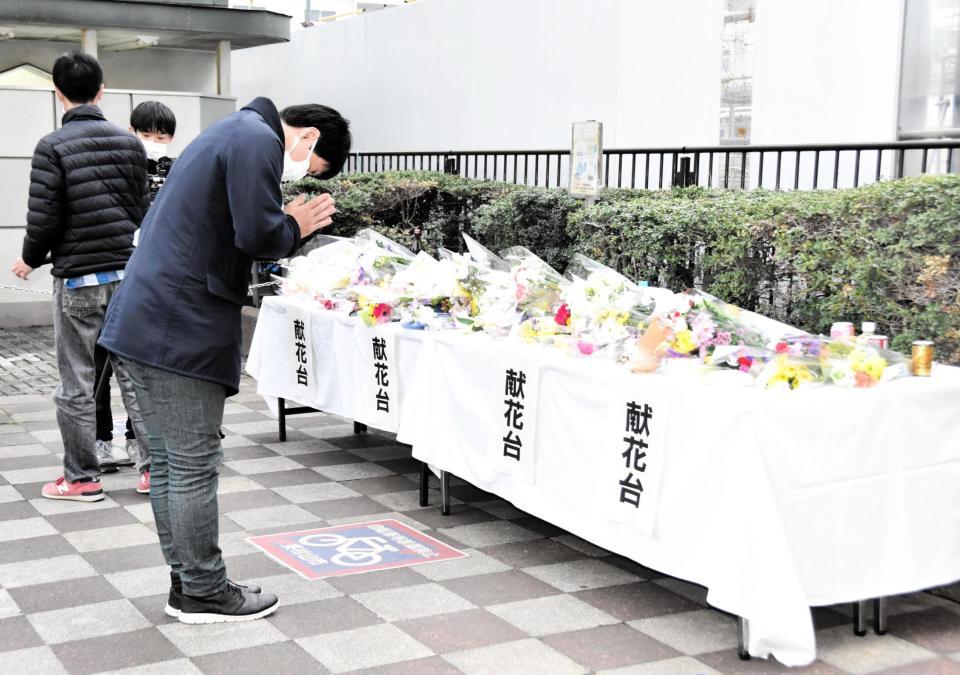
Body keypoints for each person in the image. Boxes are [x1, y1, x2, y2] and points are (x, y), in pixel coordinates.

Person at [99, 97, 349, 623]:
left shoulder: (234, 131)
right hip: (176, 327)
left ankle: (191, 580)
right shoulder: (258, 139)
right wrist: (294, 225)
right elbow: (257, 234)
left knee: (170, 464)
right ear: (306, 138)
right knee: (190, 465)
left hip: (150, 321)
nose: (299, 172)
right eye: (311, 163)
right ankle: (203, 592)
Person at [11, 51, 150, 503]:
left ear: (57, 91)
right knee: (136, 377)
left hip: (77, 282)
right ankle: (153, 472)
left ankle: (81, 478)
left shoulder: (52, 145)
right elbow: (140, 212)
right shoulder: (131, 144)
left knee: (76, 382)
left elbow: (44, 217)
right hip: (128, 277)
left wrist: (30, 259)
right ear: (102, 90)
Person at [94, 100, 178, 494]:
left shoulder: (176, 169)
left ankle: (134, 436)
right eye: (148, 135)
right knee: (100, 362)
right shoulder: (121, 166)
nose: (156, 143)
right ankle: (100, 438)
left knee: (140, 363)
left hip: (153, 278)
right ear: (132, 132)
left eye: (162, 136)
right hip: (114, 267)